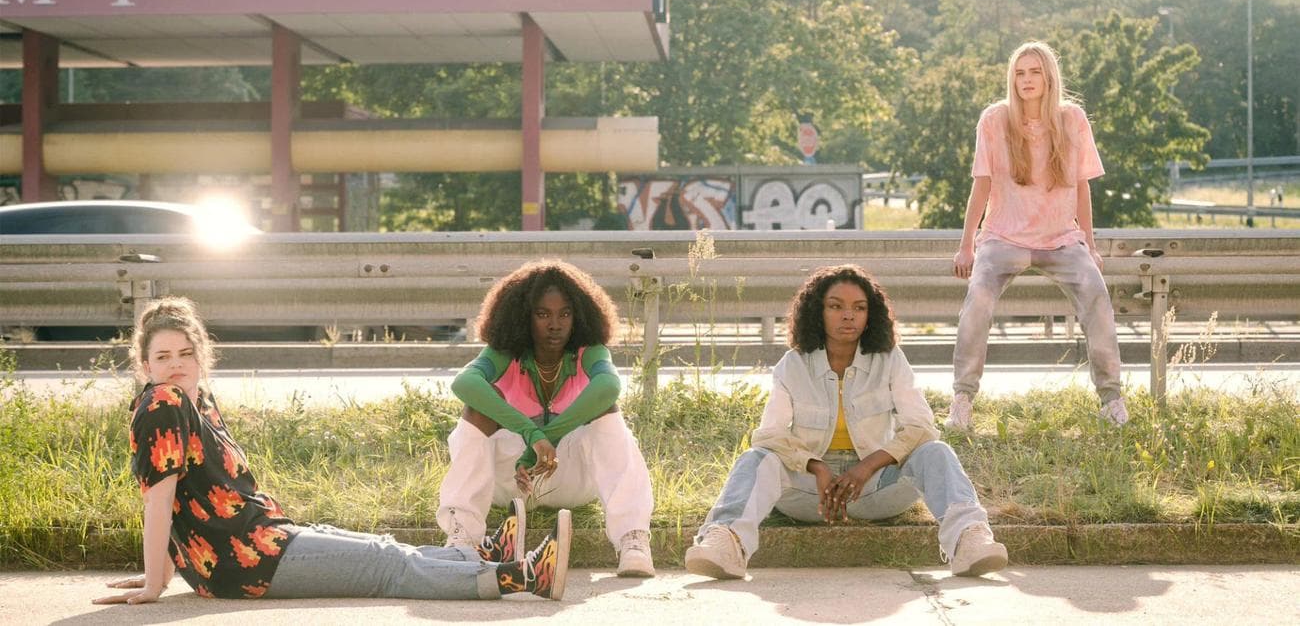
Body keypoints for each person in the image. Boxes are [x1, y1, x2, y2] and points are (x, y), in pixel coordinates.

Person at [94, 297, 570, 607]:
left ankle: (481, 556)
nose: (176, 366)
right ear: (143, 366)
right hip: (247, 563)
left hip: (266, 539)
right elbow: (159, 500)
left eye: (185, 354)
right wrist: (153, 583)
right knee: (387, 569)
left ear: (201, 355)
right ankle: (521, 576)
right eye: (162, 357)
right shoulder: (164, 403)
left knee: (386, 549)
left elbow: (185, 505)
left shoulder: (197, 399)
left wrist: (162, 571)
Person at [684, 265, 1007, 579]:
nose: (848, 315)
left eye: (859, 307)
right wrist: (817, 467)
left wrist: (866, 467)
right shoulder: (793, 364)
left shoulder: (889, 359)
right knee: (756, 458)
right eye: (836, 306)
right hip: (810, 493)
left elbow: (921, 427)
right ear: (817, 311)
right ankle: (726, 543)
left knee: (935, 451)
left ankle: (968, 541)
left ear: (870, 315)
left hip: (877, 490)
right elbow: (769, 435)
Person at [948, 41, 1128, 431]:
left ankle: (1112, 400)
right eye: (1019, 73)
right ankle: (962, 399)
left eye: (1034, 72)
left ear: (1049, 77)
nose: (1026, 81)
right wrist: (967, 245)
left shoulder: (1072, 119)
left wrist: (1090, 246)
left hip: (1062, 239)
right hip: (1003, 237)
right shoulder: (994, 120)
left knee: (1097, 297)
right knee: (978, 296)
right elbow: (981, 184)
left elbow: (1082, 188)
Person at [437, 260, 656, 577]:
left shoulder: (588, 351)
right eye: (543, 314)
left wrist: (546, 438)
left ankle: (632, 539)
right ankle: (463, 539)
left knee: (606, 411)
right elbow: (464, 383)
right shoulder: (505, 352)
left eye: (564, 313)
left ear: (577, 315)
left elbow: (610, 386)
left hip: (572, 478)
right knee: (478, 408)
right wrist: (530, 434)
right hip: (512, 480)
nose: (555, 324)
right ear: (523, 316)